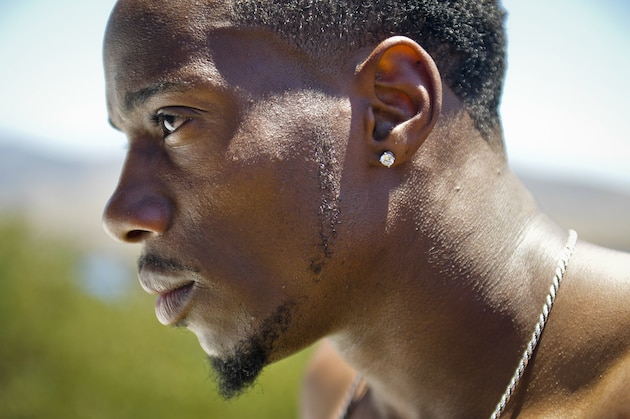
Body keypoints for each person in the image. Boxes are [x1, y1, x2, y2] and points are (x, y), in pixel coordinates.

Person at [101, 0, 630, 417]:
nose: (120, 214)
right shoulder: (335, 389)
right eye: (126, 139)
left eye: (171, 121)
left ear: (392, 108)